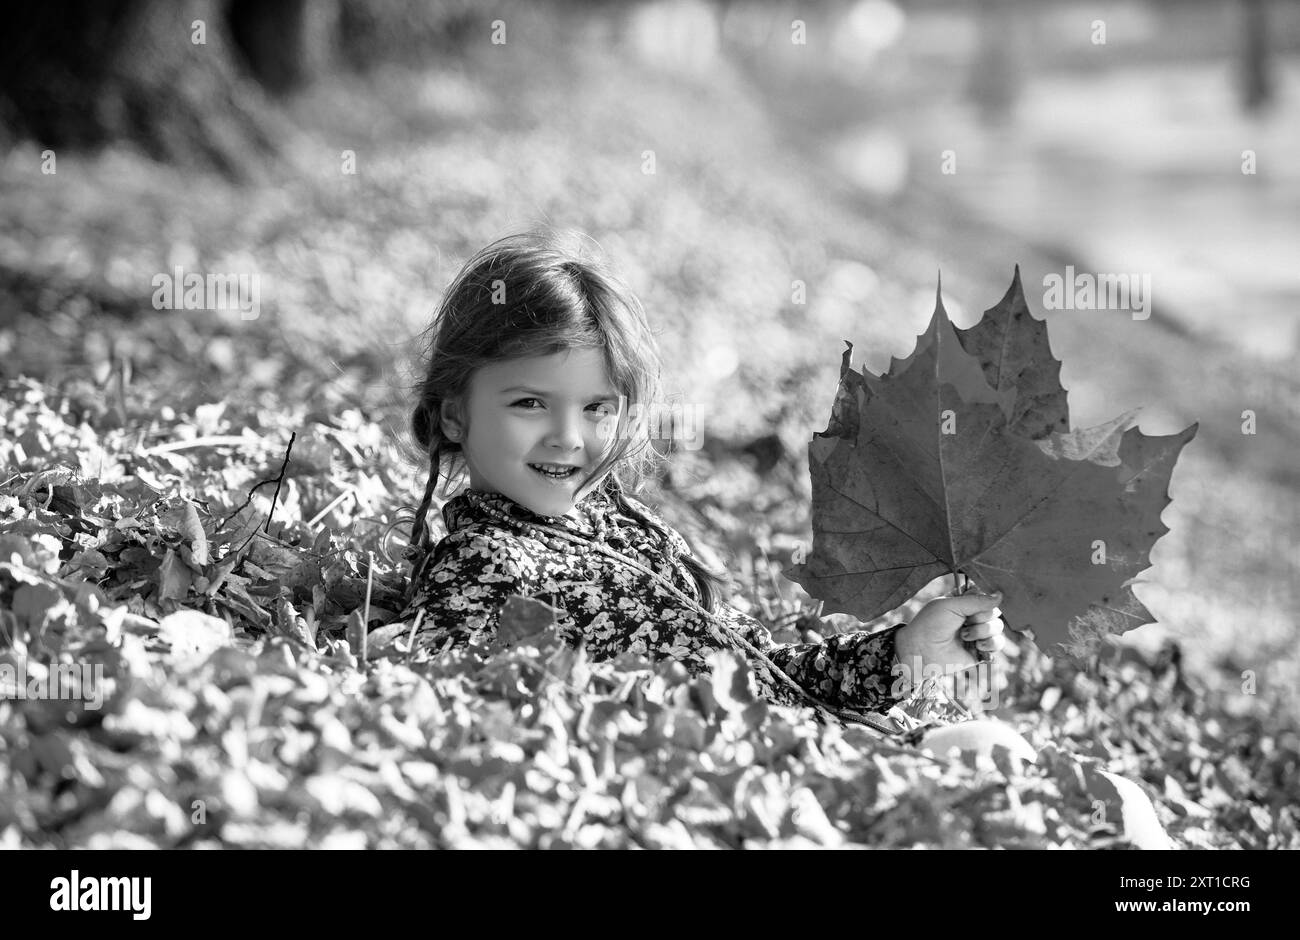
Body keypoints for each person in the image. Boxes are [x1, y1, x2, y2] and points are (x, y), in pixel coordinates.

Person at [399, 228, 1005, 731]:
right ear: (455, 411)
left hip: (798, 733)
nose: (568, 437)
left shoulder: (626, 527)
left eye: (596, 408)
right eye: (529, 403)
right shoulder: (483, 562)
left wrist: (905, 655)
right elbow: (447, 699)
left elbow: (764, 671)